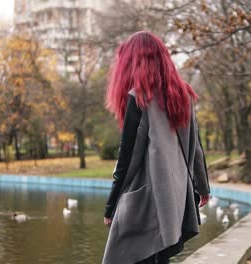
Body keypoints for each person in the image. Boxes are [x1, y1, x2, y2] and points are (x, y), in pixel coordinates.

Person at [102, 30, 211, 264]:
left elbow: (128, 159)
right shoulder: (183, 94)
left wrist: (111, 205)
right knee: (160, 256)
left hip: (147, 198)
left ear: (131, 61)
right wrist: (203, 188)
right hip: (177, 196)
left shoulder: (138, 98)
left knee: (128, 255)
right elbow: (196, 148)